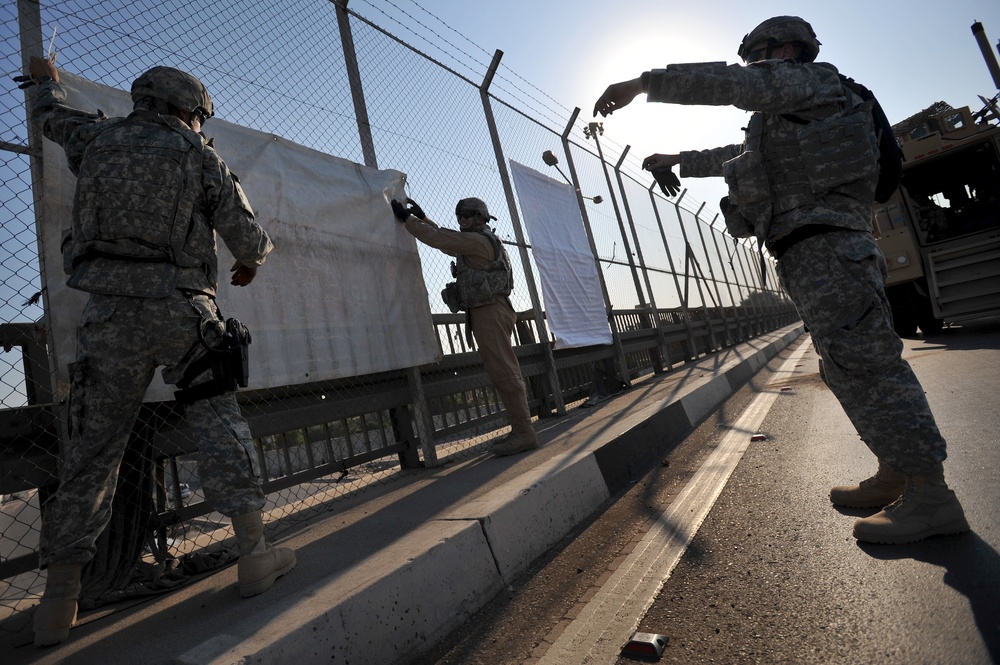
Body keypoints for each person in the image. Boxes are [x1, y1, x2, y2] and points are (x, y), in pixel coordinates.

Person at [593, 16, 968, 545]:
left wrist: (644, 83)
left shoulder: (813, 81)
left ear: (789, 50)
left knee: (870, 364)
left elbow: (730, 84)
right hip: (810, 251)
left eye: (759, 56)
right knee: (847, 367)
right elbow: (742, 158)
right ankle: (898, 471)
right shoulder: (795, 111)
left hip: (830, 246)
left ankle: (933, 496)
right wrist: (679, 159)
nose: (752, 66)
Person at [24, 56, 295, 647]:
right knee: (219, 421)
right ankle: (254, 556)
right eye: (200, 116)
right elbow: (249, 239)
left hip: (109, 314)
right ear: (186, 110)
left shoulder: (95, 137)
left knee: (93, 451)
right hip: (180, 307)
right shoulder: (200, 156)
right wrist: (248, 262)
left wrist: (47, 81)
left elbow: (48, 115)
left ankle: (58, 603)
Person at [391, 196, 538, 456]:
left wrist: (408, 220)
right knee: (503, 370)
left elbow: (441, 240)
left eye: (468, 214)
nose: (462, 219)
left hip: (490, 312)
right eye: (459, 215)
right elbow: (450, 242)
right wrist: (424, 219)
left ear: (482, 216)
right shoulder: (480, 240)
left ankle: (524, 433)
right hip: (490, 310)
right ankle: (520, 429)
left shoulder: (477, 241)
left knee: (504, 372)